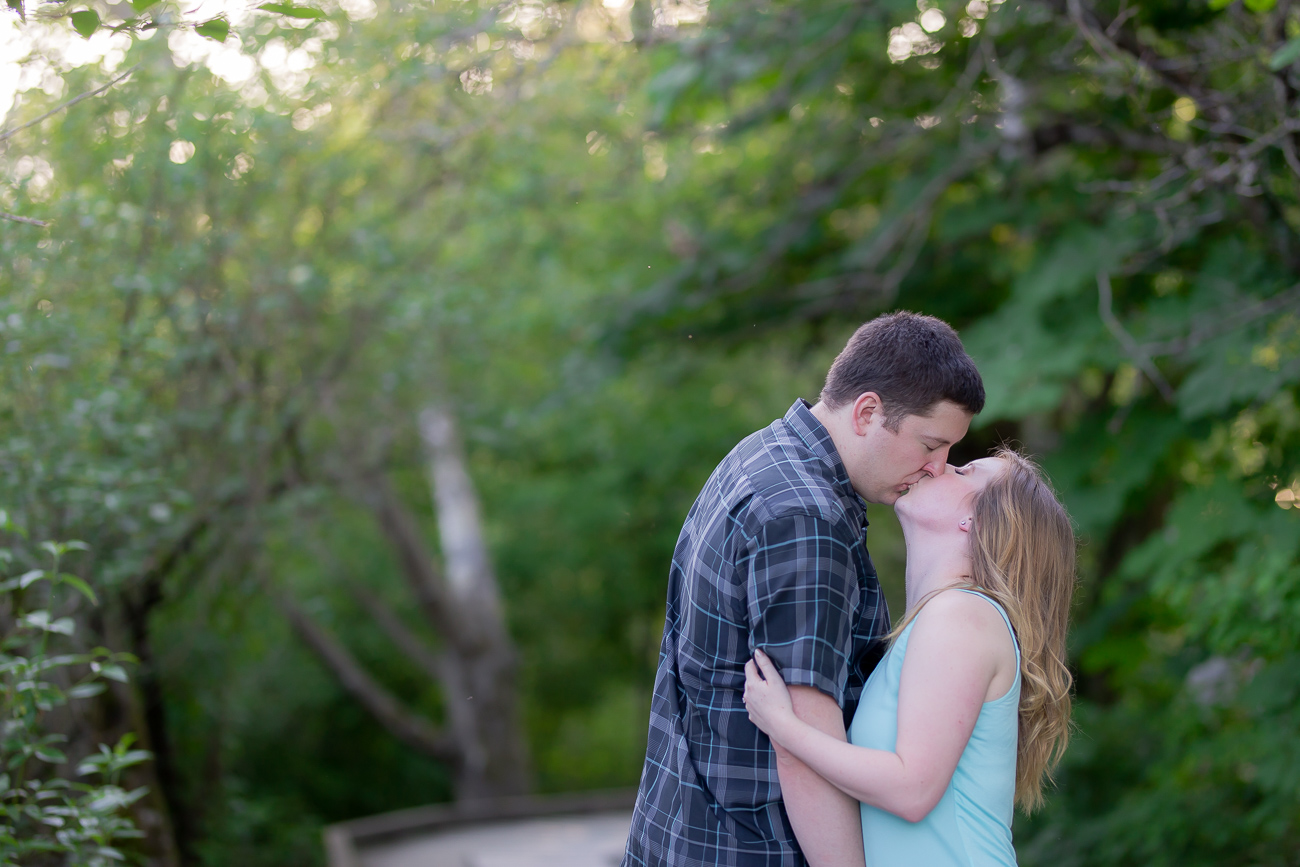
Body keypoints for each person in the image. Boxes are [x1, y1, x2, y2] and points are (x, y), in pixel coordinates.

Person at [622, 312, 986, 867]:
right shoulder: (806, 520)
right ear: (868, 412)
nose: (937, 470)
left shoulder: (763, 456)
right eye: (931, 445)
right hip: (750, 851)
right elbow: (802, 749)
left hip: (679, 836)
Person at [741, 448, 1076, 867]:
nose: (939, 465)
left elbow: (912, 790)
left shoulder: (961, 617)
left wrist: (783, 727)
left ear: (974, 520)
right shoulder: (944, 621)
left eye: (963, 469)